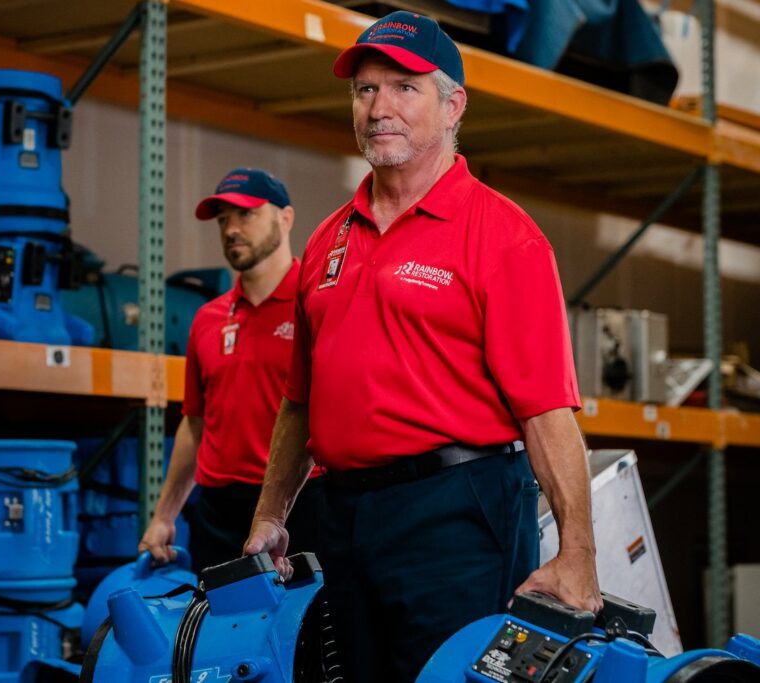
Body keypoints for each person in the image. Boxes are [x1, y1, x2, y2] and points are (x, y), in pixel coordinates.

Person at [243, 12, 602, 681]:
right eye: (365, 90)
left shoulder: (504, 236)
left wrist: (578, 554)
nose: (379, 107)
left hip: (456, 512)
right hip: (343, 515)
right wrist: (270, 515)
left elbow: (549, 412)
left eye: (404, 88)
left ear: (453, 104)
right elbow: (299, 401)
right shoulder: (327, 240)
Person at [139, 168, 323, 574]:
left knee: (303, 635)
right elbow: (195, 424)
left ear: (285, 218)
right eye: (223, 220)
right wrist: (165, 515)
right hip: (218, 514)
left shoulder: (315, 304)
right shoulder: (208, 319)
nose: (231, 229)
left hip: (300, 504)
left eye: (246, 215)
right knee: (222, 634)